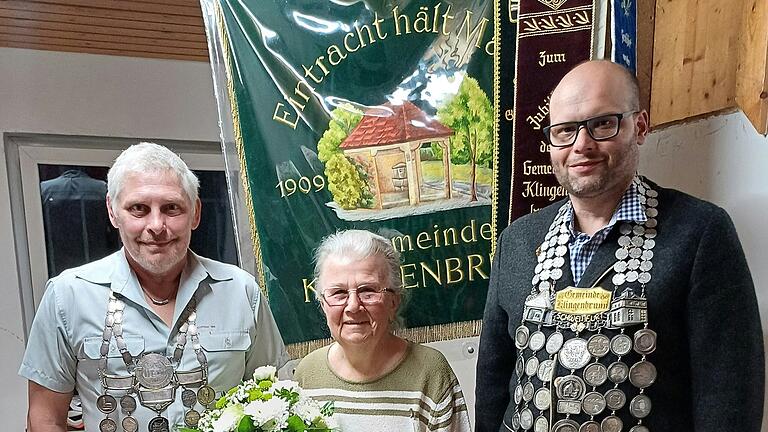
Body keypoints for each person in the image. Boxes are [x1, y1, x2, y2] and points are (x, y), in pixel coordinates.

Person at [475, 60, 764, 432]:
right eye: (564, 131)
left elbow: (729, 392)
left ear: (639, 126)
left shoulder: (700, 232)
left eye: (602, 124)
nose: (582, 145)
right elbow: (493, 380)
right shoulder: (518, 240)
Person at [20, 142, 288, 431]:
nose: (157, 225)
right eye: (139, 209)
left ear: (196, 213)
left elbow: (275, 401)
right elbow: (44, 417)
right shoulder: (67, 296)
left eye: (172, 208)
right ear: (113, 211)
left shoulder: (241, 292)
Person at [294, 229, 472, 432]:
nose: (353, 306)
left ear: (393, 301)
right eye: (339, 293)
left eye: (367, 291)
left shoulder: (431, 374)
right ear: (322, 303)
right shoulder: (307, 375)